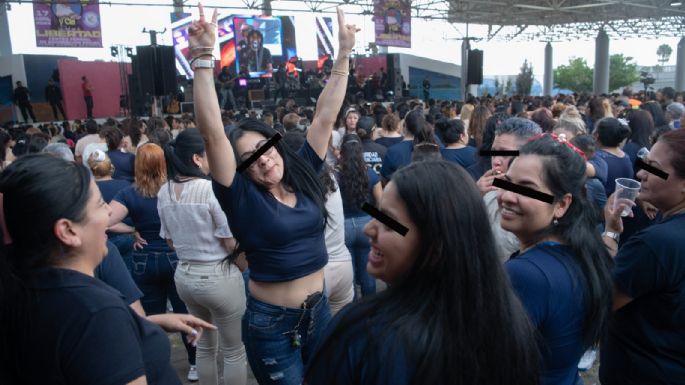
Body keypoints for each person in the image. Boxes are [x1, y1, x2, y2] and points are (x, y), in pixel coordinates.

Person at [188, 5, 357, 384]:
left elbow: (325, 117)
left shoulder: (300, 173)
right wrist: (202, 58)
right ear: (240, 168)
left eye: (266, 148)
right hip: (272, 325)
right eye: (249, 159)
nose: (263, 162)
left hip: (320, 313)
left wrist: (344, 53)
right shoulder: (240, 197)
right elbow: (213, 133)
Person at [305, 160, 540, 385]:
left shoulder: (364, 334)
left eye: (389, 223)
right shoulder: (509, 323)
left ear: (435, 247)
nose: (369, 229)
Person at [0, 154, 214, 384]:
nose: (109, 213)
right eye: (100, 204)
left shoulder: (23, 290)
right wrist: (113, 322)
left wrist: (143, 324)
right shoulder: (95, 312)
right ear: (68, 231)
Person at [499, 134, 614, 385]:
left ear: (561, 204)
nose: (507, 196)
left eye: (526, 189)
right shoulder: (582, 252)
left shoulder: (526, 275)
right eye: (507, 183)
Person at [158, 128, 247, 385]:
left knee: (205, 347)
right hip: (218, 275)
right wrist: (244, 266)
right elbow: (230, 242)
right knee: (233, 350)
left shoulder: (165, 192)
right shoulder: (210, 190)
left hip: (185, 275)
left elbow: (171, 242)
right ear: (197, 158)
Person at [599, 129, 685, 385]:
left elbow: (599, 302)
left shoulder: (656, 244)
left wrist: (610, 234)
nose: (640, 174)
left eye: (654, 169)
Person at [108, 143, 199, 381]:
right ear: (163, 163)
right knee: (183, 313)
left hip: (144, 261)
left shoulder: (129, 193)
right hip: (175, 258)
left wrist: (131, 230)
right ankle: (194, 363)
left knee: (150, 319)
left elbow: (105, 221)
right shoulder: (174, 190)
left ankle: (155, 365)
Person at [477, 117, 541, 261]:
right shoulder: (486, 190)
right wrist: (474, 196)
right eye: (494, 152)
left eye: (505, 154)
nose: (496, 161)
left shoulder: (540, 203)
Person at [336, 134, 382, 299]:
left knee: (350, 275)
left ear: (342, 152)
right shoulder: (371, 174)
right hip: (366, 224)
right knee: (368, 272)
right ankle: (370, 309)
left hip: (344, 226)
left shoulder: (336, 176)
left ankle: (354, 309)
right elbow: (380, 202)